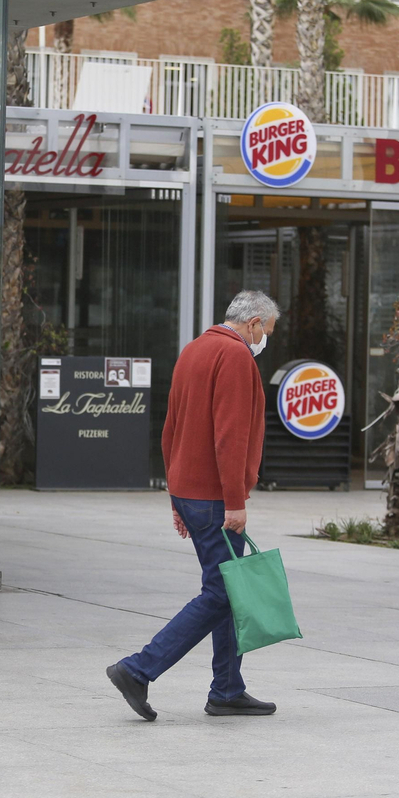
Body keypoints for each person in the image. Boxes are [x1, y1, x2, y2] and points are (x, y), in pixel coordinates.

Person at [107, 290, 280, 721]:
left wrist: (175, 495)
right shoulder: (236, 357)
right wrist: (235, 501)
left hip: (191, 491)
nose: (265, 341)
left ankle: (226, 689)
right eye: (268, 332)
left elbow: (171, 427)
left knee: (228, 590)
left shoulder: (194, 349)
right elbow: (230, 436)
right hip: (215, 497)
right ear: (254, 323)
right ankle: (138, 669)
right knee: (222, 592)